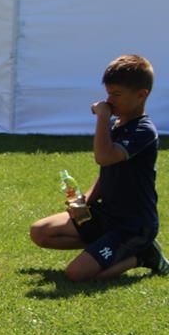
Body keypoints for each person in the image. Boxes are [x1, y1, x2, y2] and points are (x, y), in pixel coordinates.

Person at [30, 55, 168, 281]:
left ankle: (143, 255)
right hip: (106, 214)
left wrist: (102, 117)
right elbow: (108, 172)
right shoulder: (117, 124)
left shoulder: (144, 130)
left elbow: (103, 157)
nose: (109, 101)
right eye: (108, 93)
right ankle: (106, 248)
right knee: (40, 232)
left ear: (141, 95)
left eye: (116, 94)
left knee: (76, 274)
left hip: (133, 225)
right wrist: (85, 201)